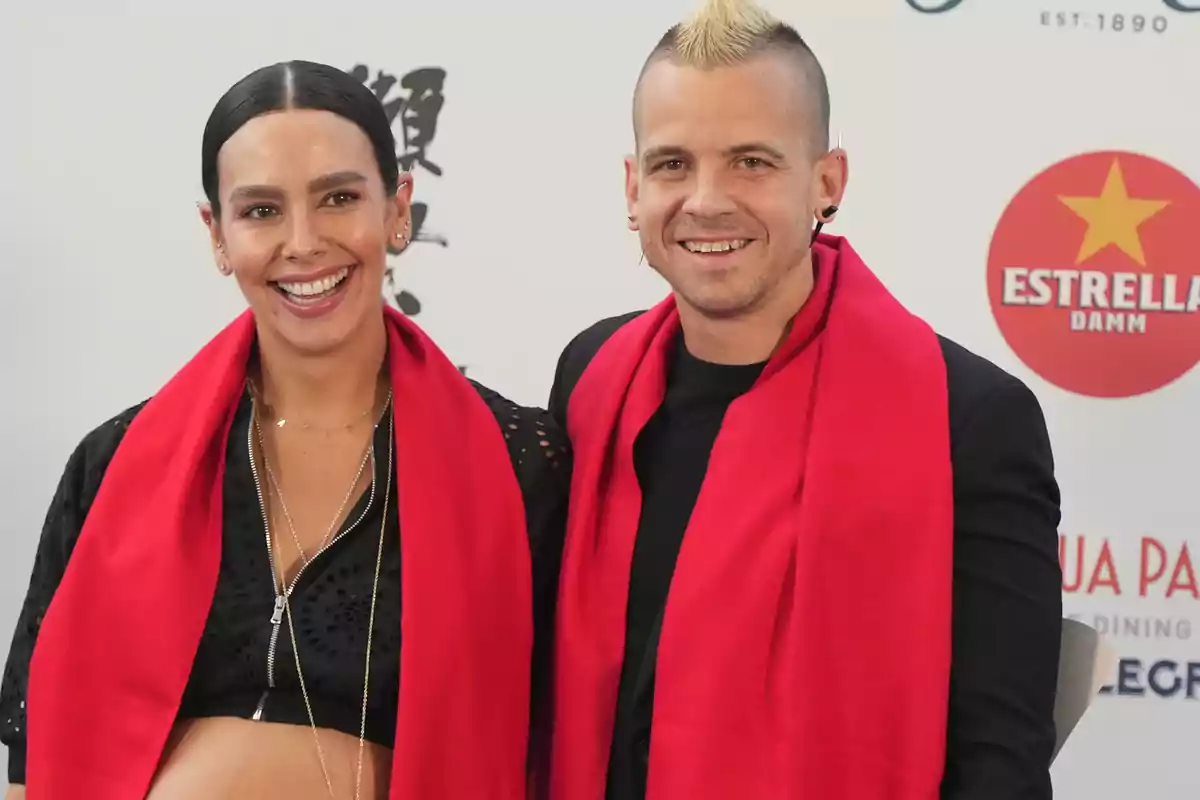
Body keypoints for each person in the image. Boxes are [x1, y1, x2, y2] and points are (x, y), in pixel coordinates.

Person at [0, 60, 568, 800]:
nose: (302, 243)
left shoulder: (518, 462)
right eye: (261, 210)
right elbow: (33, 758)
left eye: (338, 198)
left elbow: (557, 749)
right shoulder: (112, 463)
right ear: (217, 233)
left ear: (398, 209)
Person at [543, 1, 1063, 798]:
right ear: (633, 185)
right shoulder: (592, 378)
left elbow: (1000, 765)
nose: (706, 199)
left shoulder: (971, 421)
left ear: (827, 181)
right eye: (673, 163)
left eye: (752, 161)